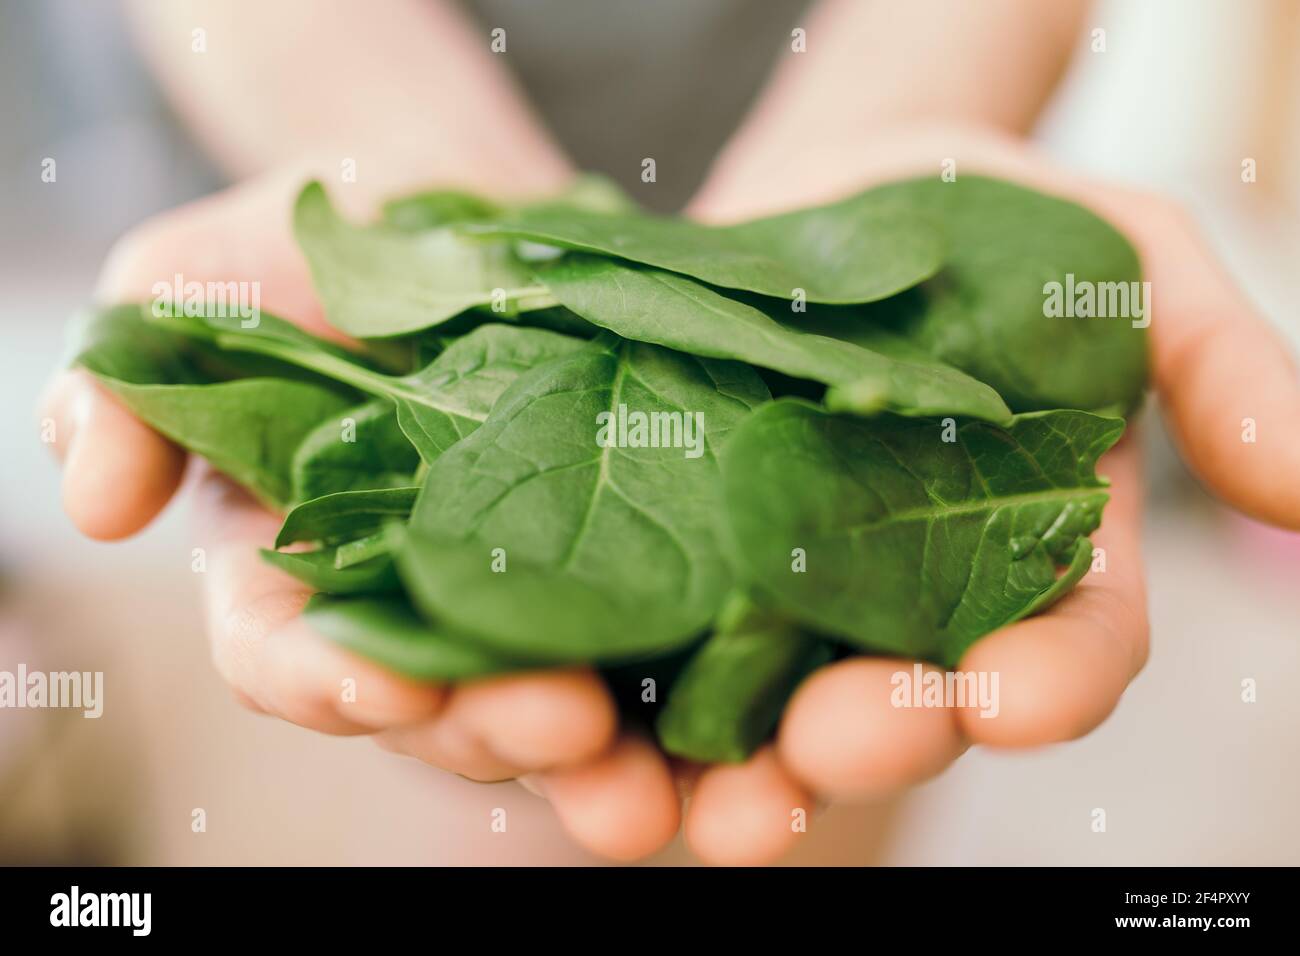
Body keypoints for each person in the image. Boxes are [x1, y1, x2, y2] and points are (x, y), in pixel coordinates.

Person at [40, 0, 1300, 865]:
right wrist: (393, 141)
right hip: (351, 100)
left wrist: (910, 93)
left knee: (803, 741)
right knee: (524, 740)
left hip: (815, 143)